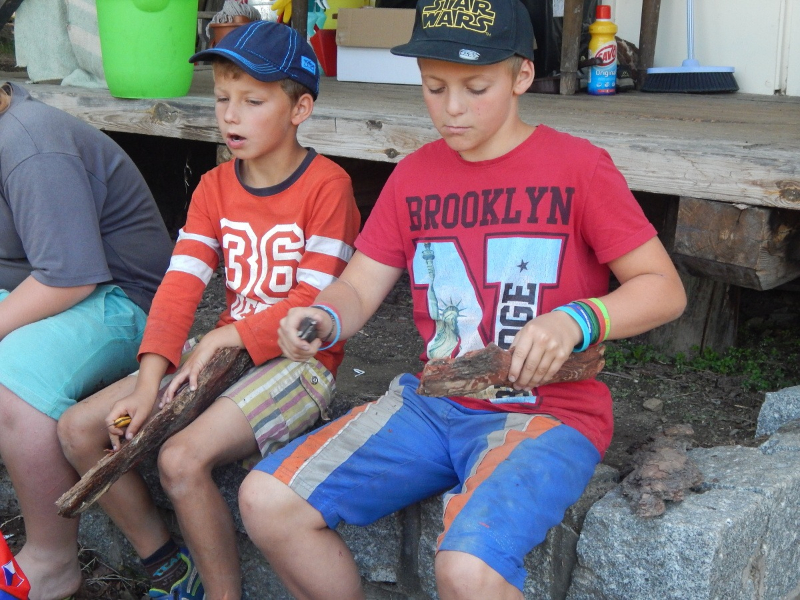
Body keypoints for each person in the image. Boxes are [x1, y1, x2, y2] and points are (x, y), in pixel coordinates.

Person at [237, 0, 688, 598]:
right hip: (433, 403)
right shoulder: (413, 177)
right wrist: (322, 316)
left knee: (468, 570)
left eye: (476, 88)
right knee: (267, 500)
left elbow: (663, 288)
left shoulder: (578, 168)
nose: (452, 108)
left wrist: (576, 319)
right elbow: (359, 287)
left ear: (521, 76)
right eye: (434, 86)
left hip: (546, 414)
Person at [57, 21, 361, 600]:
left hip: (301, 365)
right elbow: (179, 287)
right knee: (77, 430)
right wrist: (148, 384)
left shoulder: (329, 186)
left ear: (300, 109)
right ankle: (169, 567)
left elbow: (312, 306)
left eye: (252, 101)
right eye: (223, 99)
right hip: (224, 351)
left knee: (180, 458)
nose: (231, 115)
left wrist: (226, 338)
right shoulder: (214, 186)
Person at [0, 81, 173, 600]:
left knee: (13, 376)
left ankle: (52, 561)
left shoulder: (32, 147)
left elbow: (66, 279)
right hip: (42, 288)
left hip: (122, 301)